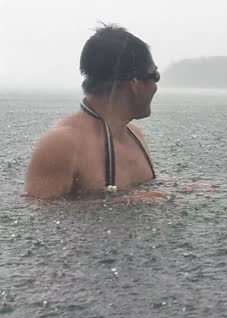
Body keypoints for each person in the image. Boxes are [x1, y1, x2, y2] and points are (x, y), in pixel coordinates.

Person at [24, 24, 160, 200]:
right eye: (155, 76)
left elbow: (142, 190)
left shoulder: (135, 135)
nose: (156, 86)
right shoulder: (61, 144)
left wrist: (181, 188)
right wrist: (124, 203)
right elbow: (37, 214)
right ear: (135, 83)